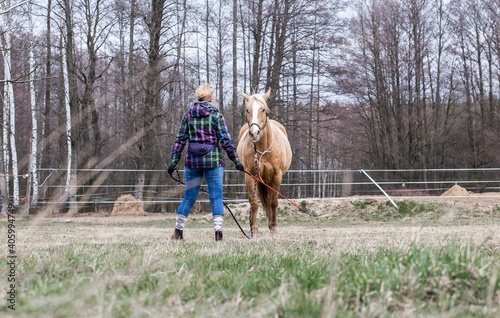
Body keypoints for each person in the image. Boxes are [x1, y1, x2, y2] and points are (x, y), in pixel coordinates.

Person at [168, 84, 245, 241]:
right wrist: (236, 161)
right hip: (214, 162)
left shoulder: (188, 115)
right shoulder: (216, 116)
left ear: (198, 97)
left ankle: (178, 231)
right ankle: (218, 233)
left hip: (193, 162)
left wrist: (173, 162)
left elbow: (180, 140)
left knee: (189, 197)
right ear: (211, 98)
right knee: (216, 197)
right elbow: (226, 141)